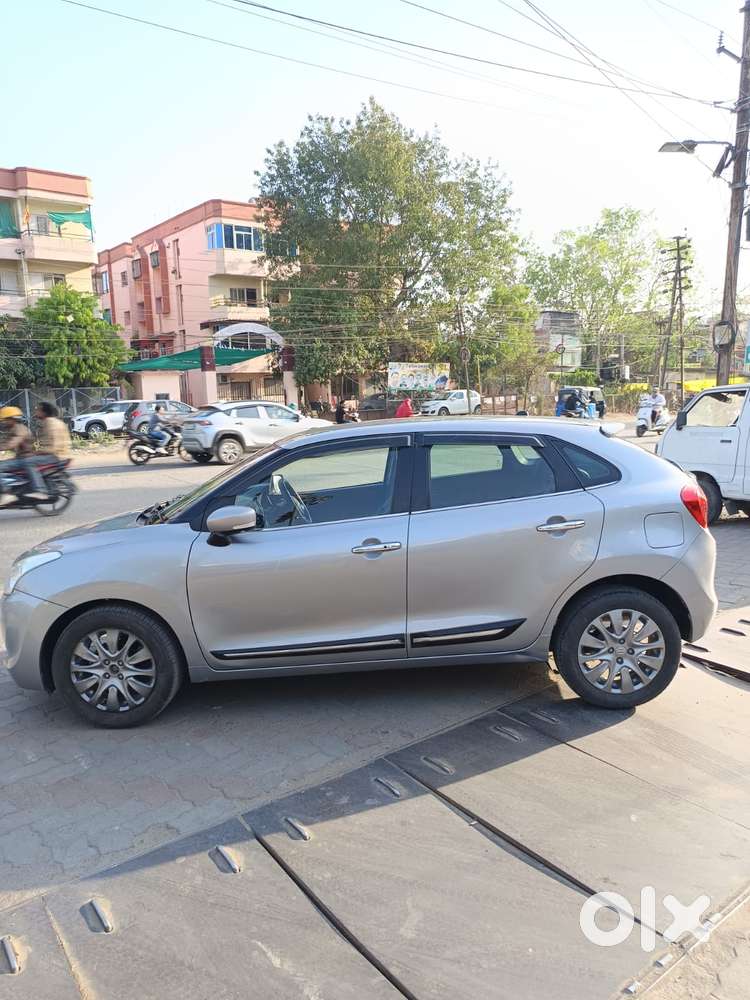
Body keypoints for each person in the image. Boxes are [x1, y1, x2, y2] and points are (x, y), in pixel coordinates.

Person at [0, 405, 46, 499]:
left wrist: (2, 447)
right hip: (21, 458)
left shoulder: (20, 429)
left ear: (12, 419)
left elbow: (12, 443)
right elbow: (4, 441)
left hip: (26, 458)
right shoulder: (13, 429)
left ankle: (6, 493)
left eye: (5, 420)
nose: (3, 422)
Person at [33, 403, 72, 493]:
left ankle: (38, 487)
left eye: (38, 410)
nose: (36, 412)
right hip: (64, 454)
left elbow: (53, 446)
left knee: (27, 462)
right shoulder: (58, 422)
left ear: (44, 412)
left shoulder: (48, 424)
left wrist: (36, 452)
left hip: (54, 456)